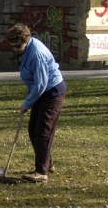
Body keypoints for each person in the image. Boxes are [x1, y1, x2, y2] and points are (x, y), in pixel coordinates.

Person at [6, 23, 66, 183]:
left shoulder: (36, 53)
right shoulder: (26, 50)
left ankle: (41, 171)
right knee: (33, 129)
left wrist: (27, 103)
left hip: (52, 92)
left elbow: (41, 83)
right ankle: (48, 164)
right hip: (41, 92)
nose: (16, 49)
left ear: (26, 39)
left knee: (43, 130)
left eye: (18, 46)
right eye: (13, 46)